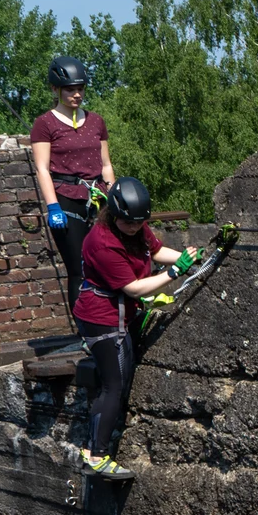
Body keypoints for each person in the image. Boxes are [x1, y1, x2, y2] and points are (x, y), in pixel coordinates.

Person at [70, 177, 200, 479]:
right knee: (113, 385)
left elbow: (154, 252)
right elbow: (134, 288)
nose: (135, 227)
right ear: (114, 215)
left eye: (140, 222)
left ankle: (92, 450)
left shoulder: (135, 227)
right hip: (102, 318)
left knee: (115, 380)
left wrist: (188, 258)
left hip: (117, 315)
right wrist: (175, 272)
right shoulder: (101, 242)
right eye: (129, 222)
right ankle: (98, 456)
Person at [29, 56, 115, 310]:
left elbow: (106, 164)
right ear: (55, 89)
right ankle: (85, 328)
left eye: (81, 88)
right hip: (66, 198)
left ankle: (111, 319)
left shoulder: (97, 121)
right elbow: (42, 168)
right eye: (70, 89)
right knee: (79, 267)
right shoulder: (44, 124)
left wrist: (113, 198)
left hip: (98, 196)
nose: (77, 94)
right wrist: (53, 207)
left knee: (107, 261)